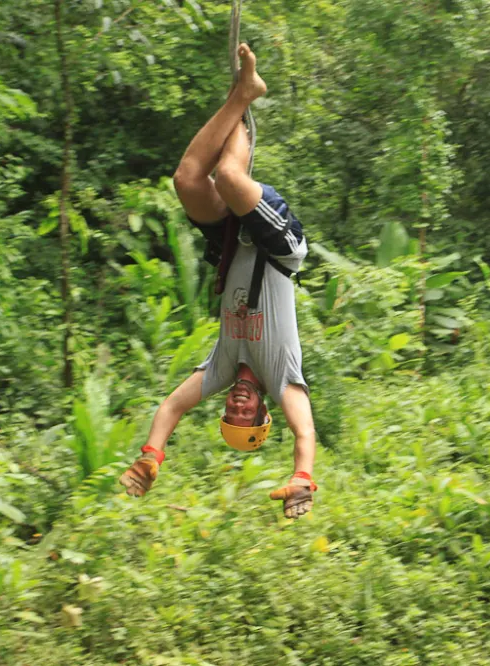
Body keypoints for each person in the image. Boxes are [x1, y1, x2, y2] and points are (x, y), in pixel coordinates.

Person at [118, 44, 317, 519]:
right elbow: (305, 432)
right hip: (278, 249)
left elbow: (170, 408)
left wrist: (152, 456)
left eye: (230, 413)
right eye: (246, 415)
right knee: (228, 174)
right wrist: (302, 479)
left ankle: (242, 95)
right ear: (263, 413)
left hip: (233, 244)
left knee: (187, 180)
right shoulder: (282, 378)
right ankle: (246, 95)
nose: (237, 406)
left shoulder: (222, 371)